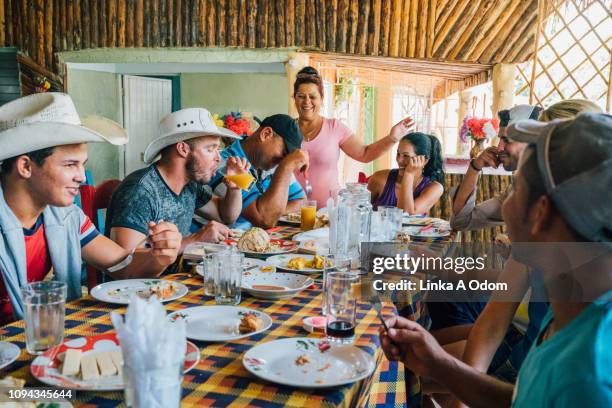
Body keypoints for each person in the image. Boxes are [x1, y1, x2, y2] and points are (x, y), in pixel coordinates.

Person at [381, 112, 612, 407]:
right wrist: (440, 366)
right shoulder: (571, 308)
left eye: (515, 187)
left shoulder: (587, 377)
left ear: (540, 214)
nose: (506, 199)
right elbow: (524, 400)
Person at [0, 93, 182, 325]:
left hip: (45, 338)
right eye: (70, 164)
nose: (82, 177)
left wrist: (160, 256)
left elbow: (122, 267)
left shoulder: (67, 216)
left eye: (82, 165)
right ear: (25, 166)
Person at [106, 108, 248, 249]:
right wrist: (195, 239)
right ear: (183, 149)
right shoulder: (139, 192)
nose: (218, 158)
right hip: (155, 273)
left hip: (181, 269)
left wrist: (235, 188)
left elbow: (225, 216)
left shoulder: (189, 185)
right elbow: (126, 262)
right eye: (210, 149)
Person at [292, 66, 415, 208]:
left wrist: (392, 138)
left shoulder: (334, 127)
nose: (306, 101)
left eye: (313, 96)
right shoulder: (285, 129)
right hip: (290, 213)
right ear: (294, 98)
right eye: (301, 96)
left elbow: (365, 154)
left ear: (321, 99)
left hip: (328, 214)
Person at [450, 105, 542, 231]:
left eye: (507, 140)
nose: (499, 148)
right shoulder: (517, 191)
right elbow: (461, 222)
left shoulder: (558, 191)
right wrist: (475, 167)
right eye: (500, 139)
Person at [209, 114, 308, 229]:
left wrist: (273, 210)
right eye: (285, 152)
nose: (284, 160)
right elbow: (264, 220)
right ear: (266, 134)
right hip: (216, 245)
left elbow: (302, 202)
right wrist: (286, 167)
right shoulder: (227, 164)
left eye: (288, 158)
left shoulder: (275, 164)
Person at [368, 132, 444, 214]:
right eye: (398, 154)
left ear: (424, 161)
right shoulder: (379, 178)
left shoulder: (434, 188)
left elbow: (406, 214)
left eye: (406, 156)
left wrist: (409, 174)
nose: (399, 160)